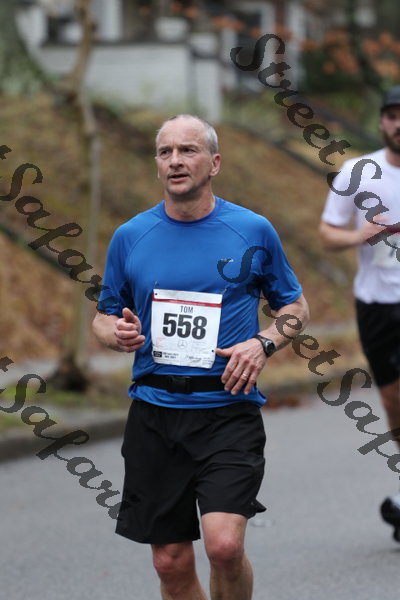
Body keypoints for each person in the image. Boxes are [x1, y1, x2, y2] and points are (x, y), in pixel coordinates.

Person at [93, 114, 309, 600]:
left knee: (225, 547)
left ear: (214, 163)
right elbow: (103, 316)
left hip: (227, 410)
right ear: (157, 164)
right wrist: (116, 332)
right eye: (165, 152)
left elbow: (295, 308)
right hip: (155, 414)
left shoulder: (251, 230)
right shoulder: (130, 235)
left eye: (187, 150)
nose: (175, 161)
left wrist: (263, 342)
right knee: (169, 562)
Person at [320, 86, 400, 542]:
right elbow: (327, 233)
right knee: (393, 402)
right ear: (382, 121)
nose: (398, 123)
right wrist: (358, 236)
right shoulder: (358, 172)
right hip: (377, 305)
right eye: (391, 115)